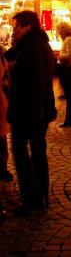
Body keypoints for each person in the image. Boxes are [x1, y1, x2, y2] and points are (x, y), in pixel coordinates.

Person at [4, 10, 56, 216]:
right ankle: (41, 196)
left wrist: (10, 79)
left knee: (20, 151)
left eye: (16, 26)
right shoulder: (36, 45)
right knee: (37, 152)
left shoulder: (31, 48)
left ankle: (32, 198)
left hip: (29, 110)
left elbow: (32, 81)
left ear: (28, 26)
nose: (13, 30)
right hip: (39, 109)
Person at [0, 46, 12, 182]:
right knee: (2, 138)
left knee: (1, 138)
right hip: (2, 99)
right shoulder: (2, 55)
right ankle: (3, 168)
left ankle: (2, 168)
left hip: (1, 100)